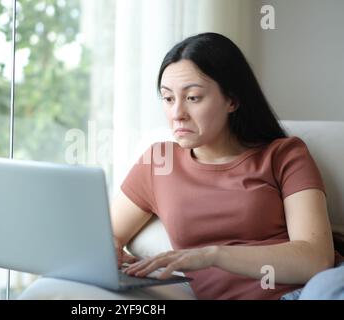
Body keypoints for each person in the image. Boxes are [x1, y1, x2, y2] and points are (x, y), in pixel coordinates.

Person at [113, 32, 344, 300]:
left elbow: (315, 258)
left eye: (193, 98)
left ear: (232, 100)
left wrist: (213, 255)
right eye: (168, 98)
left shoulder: (284, 154)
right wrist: (113, 254)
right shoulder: (158, 163)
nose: (177, 114)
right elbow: (106, 237)